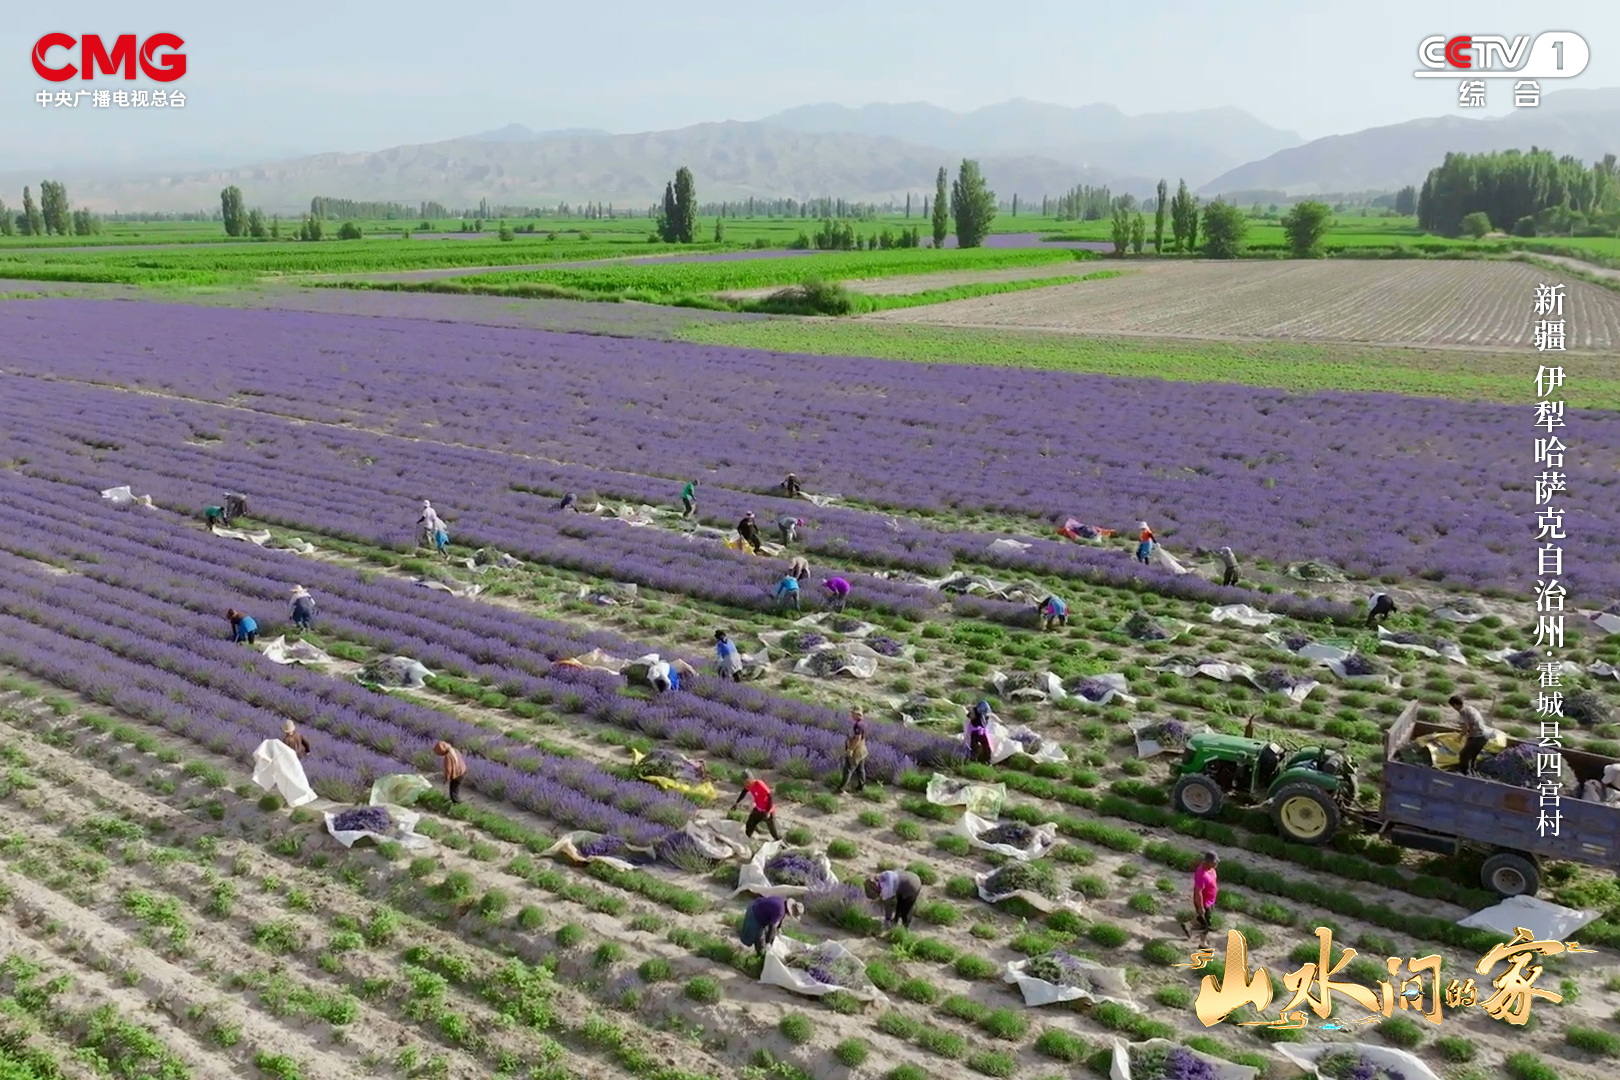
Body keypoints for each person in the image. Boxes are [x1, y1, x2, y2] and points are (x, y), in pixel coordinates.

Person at [731, 774, 781, 840]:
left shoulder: (759, 784)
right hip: (758, 809)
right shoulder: (748, 786)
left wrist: (768, 811)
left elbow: (770, 796)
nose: (746, 784)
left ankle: (779, 841)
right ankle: (747, 839)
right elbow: (744, 792)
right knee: (750, 824)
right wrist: (736, 803)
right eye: (745, 782)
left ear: (751, 779)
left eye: (747, 782)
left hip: (767, 810)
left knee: (773, 831)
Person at [1450, 695, 1490, 775]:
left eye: (1453, 706)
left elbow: (1466, 727)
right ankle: (1472, 771)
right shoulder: (1470, 708)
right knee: (1473, 756)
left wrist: (1460, 737)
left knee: (1464, 755)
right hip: (1485, 735)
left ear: (1455, 705)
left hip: (1477, 736)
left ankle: (1464, 774)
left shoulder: (1463, 711)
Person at [1187, 850, 1219, 943]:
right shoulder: (1201, 874)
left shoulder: (1212, 870)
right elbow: (1198, 892)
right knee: (1207, 925)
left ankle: (1187, 925)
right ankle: (1203, 943)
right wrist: (1200, 907)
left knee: (1200, 919)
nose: (1216, 863)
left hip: (1210, 901)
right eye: (1214, 862)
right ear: (1208, 862)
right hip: (1204, 902)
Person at [837, 709, 869, 793]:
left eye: (853, 713)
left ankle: (841, 788)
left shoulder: (858, 725)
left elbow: (857, 738)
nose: (851, 715)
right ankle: (861, 787)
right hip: (863, 749)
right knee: (860, 769)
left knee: (848, 769)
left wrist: (850, 750)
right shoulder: (864, 723)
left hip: (856, 750)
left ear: (858, 714)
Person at [433, 739, 467, 804]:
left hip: (458, 773)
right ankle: (456, 801)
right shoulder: (453, 749)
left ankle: (456, 803)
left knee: (453, 790)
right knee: (455, 787)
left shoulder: (448, 756)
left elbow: (448, 769)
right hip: (463, 770)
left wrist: (446, 779)